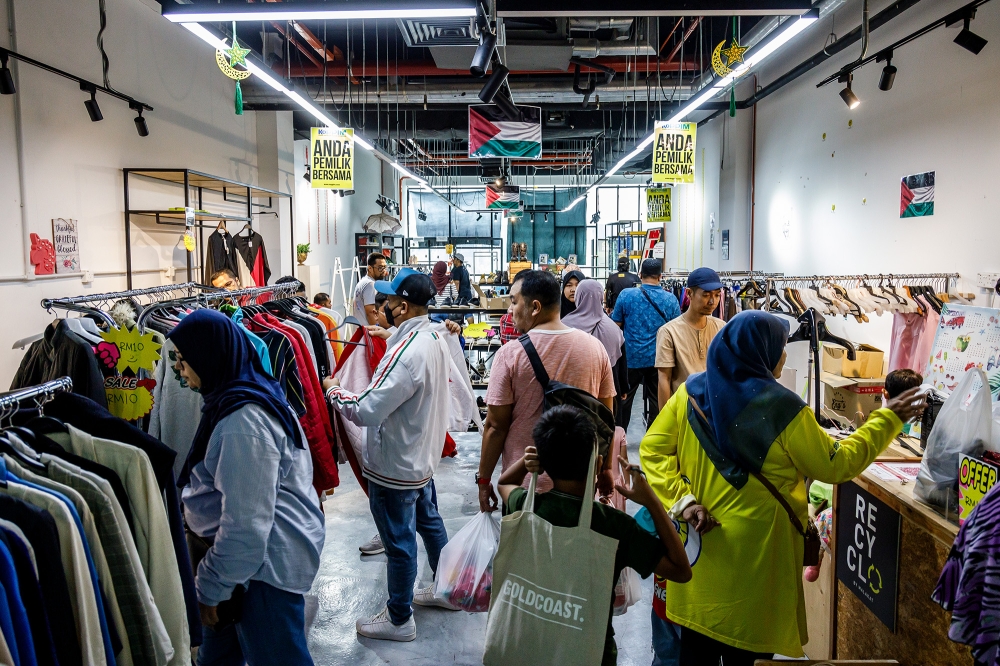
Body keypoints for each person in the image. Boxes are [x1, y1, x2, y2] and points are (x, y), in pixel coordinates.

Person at [640, 311, 927, 665]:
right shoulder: (786, 410)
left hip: (703, 555)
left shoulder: (690, 394)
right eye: (779, 347)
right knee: (746, 654)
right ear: (759, 351)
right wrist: (889, 418)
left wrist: (684, 501)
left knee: (696, 651)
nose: (786, 355)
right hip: (757, 561)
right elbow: (836, 464)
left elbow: (652, 449)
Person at [168, 309, 325, 666]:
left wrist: (210, 588)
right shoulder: (243, 392)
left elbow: (247, 529)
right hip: (241, 568)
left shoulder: (243, 422)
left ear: (210, 357)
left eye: (183, 359)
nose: (179, 369)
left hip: (260, 573)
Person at [497, 405, 692, 666]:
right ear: (599, 463)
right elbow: (681, 570)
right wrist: (652, 501)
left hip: (532, 646)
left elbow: (504, 484)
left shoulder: (528, 507)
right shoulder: (614, 526)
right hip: (592, 652)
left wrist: (527, 461)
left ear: (544, 462)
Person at [324, 268, 456, 641]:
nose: (382, 306)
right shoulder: (431, 336)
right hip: (420, 460)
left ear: (402, 305)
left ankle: (400, 618)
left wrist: (334, 390)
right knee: (429, 524)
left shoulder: (406, 353)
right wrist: (389, 335)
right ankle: (446, 589)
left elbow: (367, 408)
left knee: (398, 543)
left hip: (395, 465)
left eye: (388, 301)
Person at [478, 270, 616, 510]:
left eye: (513, 301)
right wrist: (605, 469)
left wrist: (483, 479)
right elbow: (606, 419)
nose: (509, 310)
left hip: (524, 485)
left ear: (534, 307)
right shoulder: (595, 349)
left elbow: (495, 427)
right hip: (579, 484)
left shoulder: (510, 355)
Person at [611, 258, 680, 432]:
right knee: (657, 401)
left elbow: (615, 325)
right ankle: (653, 438)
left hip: (631, 358)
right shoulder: (671, 299)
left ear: (640, 275)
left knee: (624, 400)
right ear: (661, 276)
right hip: (659, 359)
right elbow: (676, 330)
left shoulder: (626, 295)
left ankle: (621, 438)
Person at [655, 268, 726, 411]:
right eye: (706, 295)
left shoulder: (722, 328)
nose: (713, 301)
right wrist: (666, 420)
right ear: (689, 293)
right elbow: (664, 379)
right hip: (684, 411)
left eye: (717, 295)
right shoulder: (669, 331)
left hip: (715, 410)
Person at [563, 279, 626, 415]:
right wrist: (624, 387)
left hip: (573, 391)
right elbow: (621, 361)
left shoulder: (564, 325)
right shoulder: (613, 328)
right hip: (609, 392)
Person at [354, 253, 388, 325]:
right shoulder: (370, 284)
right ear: (370, 268)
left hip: (362, 330)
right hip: (368, 332)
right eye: (380, 267)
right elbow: (370, 313)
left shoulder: (363, 281)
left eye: (385, 267)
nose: (384, 270)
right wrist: (377, 331)